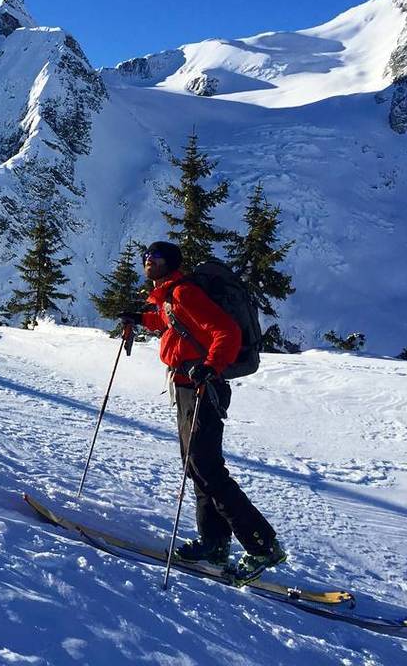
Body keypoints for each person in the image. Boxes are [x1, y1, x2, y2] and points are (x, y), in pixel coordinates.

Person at [121, 240, 285, 582]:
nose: (149, 261)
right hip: (184, 386)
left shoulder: (183, 293)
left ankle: (262, 545)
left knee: (207, 467)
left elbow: (227, 331)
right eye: (146, 257)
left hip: (202, 387)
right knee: (196, 466)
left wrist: (211, 366)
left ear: (172, 263)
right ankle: (213, 542)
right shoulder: (169, 298)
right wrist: (140, 318)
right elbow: (172, 324)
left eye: (157, 257)